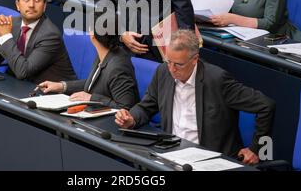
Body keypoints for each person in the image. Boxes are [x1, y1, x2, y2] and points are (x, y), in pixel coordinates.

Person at [115, 29, 276, 163]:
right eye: (168, 61)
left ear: (195, 60)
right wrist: (132, 118)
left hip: (210, 160)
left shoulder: (217, 80)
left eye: (178, 64)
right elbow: (146, 106)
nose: (172, 69)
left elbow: (266, 105)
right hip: (171, 154)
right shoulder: (163, 72)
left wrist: (257, 149)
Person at [0, 0, 77, 83]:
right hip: (23, 87)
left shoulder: (50, 35)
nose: (31, 5)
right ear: (18, 5)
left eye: (37, 0)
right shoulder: (12, 24)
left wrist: (5, 36)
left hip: (53, 94)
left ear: (44, 6)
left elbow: (23, 72)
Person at [37, 13, 140, 109]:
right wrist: (61, 86)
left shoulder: (118, 67)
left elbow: (125, 108)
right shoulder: (104, 53)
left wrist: (92, 98)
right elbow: (94, 84)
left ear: (93, 36)